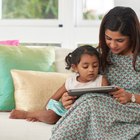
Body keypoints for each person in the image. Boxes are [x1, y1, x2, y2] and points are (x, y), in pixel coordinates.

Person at [50, 6, 140, 140]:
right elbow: (84, 81)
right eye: (108, 38)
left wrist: (131, 97)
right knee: (89, 100)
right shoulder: (101, 55)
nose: (113, 45)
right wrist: (67, 99)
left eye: (120, 40)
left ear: (133, 36)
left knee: (90, 102)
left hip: (133, 110)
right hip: (104, 109)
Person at [10, 45, 108, 124]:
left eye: (95, 65)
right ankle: (28, 114)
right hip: (67, 113)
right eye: (85, 66)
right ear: (75, 68)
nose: (91, 69)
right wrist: (42, 114)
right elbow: (53, 98)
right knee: (51, 116)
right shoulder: (70, 82)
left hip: (90, 114)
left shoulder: (101, 80)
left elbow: (107, 102)